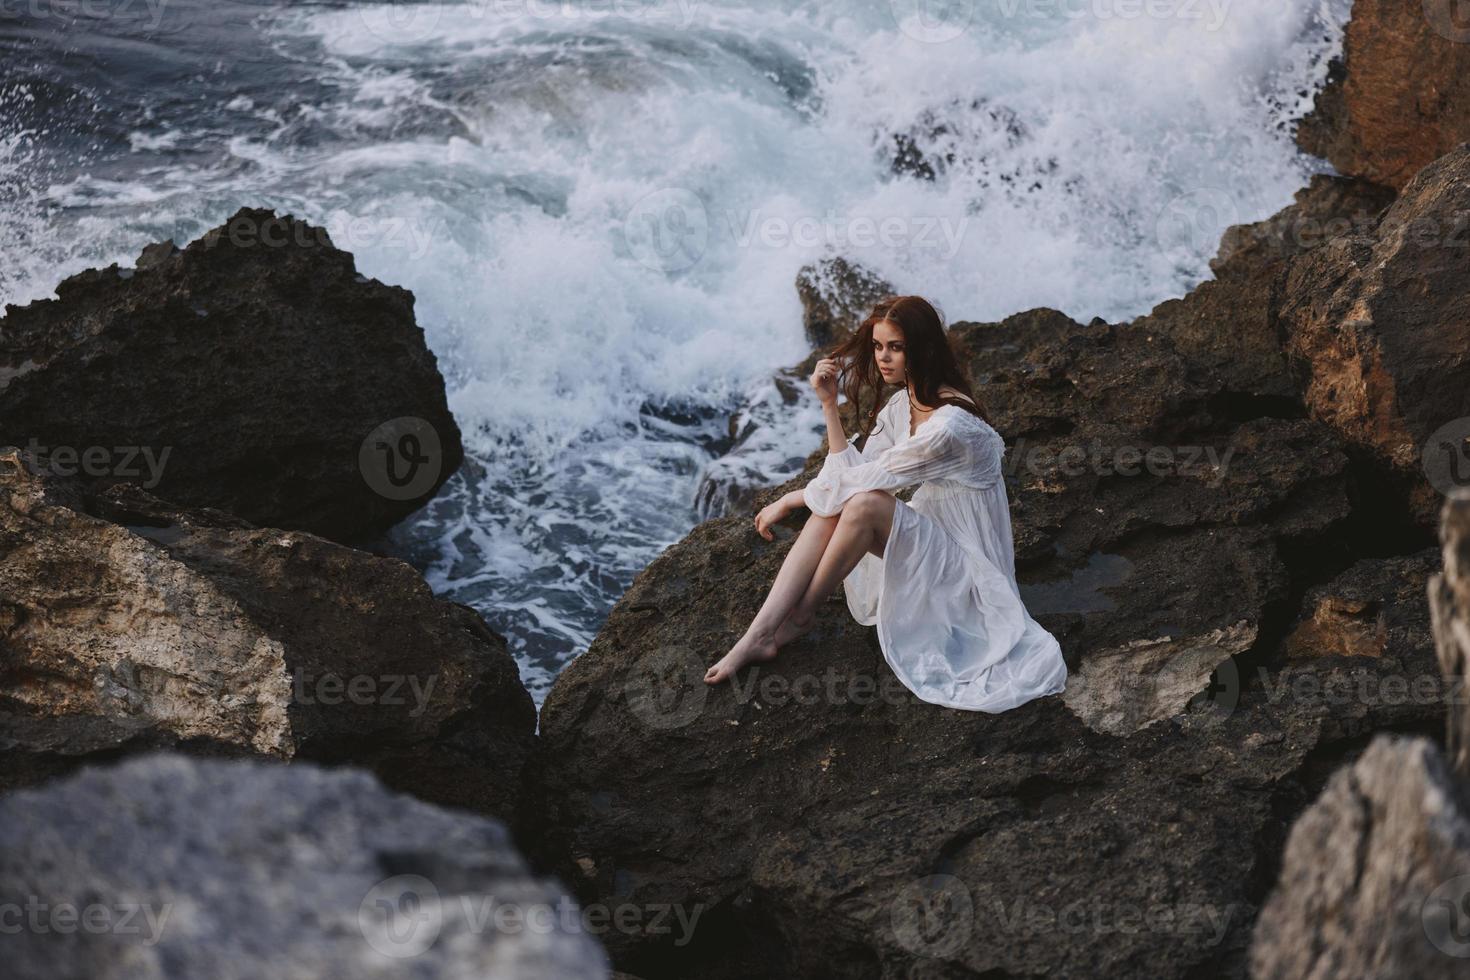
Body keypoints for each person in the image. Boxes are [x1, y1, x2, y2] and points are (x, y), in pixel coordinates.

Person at [703, 295, 1068, 711]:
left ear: (922, 348)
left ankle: (800, 616)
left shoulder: (949, 426)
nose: (882, 357)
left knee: (861, 505)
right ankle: (761, 633)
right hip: (937, 552)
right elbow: (854, 471)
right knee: (845, 503)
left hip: (969, 579)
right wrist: (829, 404)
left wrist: (791, 498)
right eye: (878, 346)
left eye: (895, 347)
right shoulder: (903, 404)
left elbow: (865, 481)